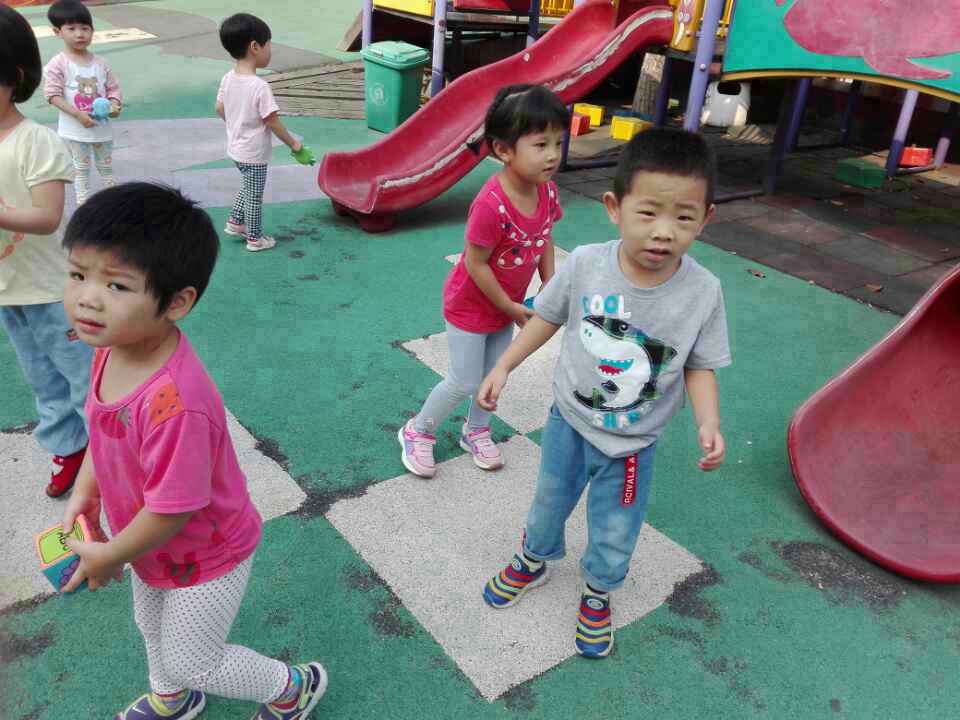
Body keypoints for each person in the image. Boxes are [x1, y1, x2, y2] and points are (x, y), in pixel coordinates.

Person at [59, 182, 326, 719]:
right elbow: (104, 433)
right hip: (148, 540)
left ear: (177, 302)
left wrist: (112, 554)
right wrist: (87, 492)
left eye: (116, 284)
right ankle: (173, 699)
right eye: (78, 274)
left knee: (194, 660)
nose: (87, 297)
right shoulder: (111, 347)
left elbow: (173, 508)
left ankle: (293, 687)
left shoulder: (176, 404)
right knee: (150, 624)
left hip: (207, 552)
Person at [478, 128, 732, 659]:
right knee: (549, 500)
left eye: (683, 218)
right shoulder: (586, 263)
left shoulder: (704, 291)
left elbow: (700, 366)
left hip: (634, 442)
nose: (663, 232)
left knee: (617, 525)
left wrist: (708, 422)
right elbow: (546, 317)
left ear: (706, 218)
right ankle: (533, 559)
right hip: (569, 422)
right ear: (615, 208)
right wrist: (504, 364)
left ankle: (598, 591)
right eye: (648, 213)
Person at [398, 84, 569, 479]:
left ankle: (475, 429)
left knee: (494, 374)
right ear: (503, 150)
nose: (552, 155)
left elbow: (544, 235)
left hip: (506, 306)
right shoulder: (491, 204)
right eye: (540, 144)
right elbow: (475, 264)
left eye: (558, 143)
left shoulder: (547, 191)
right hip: (470, 306)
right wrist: (509, 306)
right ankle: (417, 430)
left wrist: (549, 281)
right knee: (463, 380)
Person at [0, 4, 91, 498]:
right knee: (42, 379)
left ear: (14, 77)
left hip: (53, 292)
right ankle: (68, 447)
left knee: (82, 377)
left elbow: (47, 217)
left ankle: (109, 454)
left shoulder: (35, 142)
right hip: (10, 292)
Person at [216, 13, 315, 253]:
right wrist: (294, 145)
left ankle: (235, 222)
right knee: (255, 196)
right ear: (255, 47)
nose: (271, 50)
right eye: (269, 45)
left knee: (248, 185)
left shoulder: (228, 78)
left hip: (236, 148)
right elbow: (272, 121)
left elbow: (219, 107)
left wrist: (237, 124)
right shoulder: (259, 86)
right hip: (254, 153)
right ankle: (255, 239)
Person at [43, 0, 122, 206]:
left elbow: (113, 89)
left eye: (85, 28)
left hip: (102, 129)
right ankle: (83, 205)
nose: (79, 34)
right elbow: (52, 95)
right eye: (71, 29)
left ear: (92, 31)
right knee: (81, 170)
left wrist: (114, 105)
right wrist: (78, 114)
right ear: (57, 32)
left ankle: (114, 204)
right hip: (75, 132)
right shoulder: (58, 63)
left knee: (106, 167)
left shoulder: (101, 63)